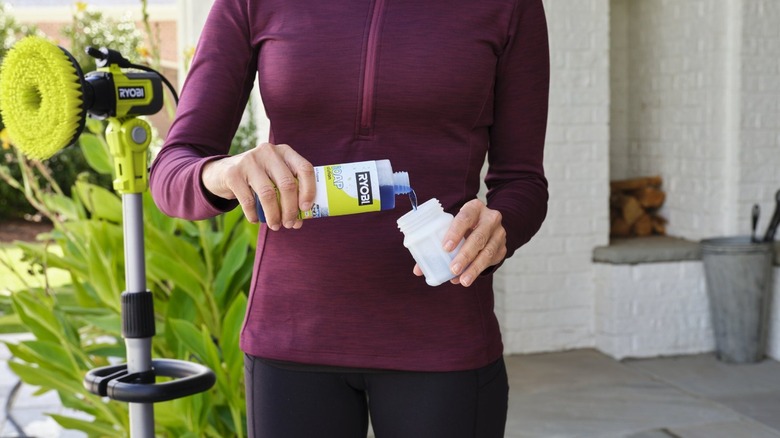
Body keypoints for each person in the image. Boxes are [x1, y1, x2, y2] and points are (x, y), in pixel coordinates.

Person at [149, 0, 549, 435]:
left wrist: (500, 225)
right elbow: (172, 170)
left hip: (442, 339)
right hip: (290, 340)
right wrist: (223, 172)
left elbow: (523, 181)